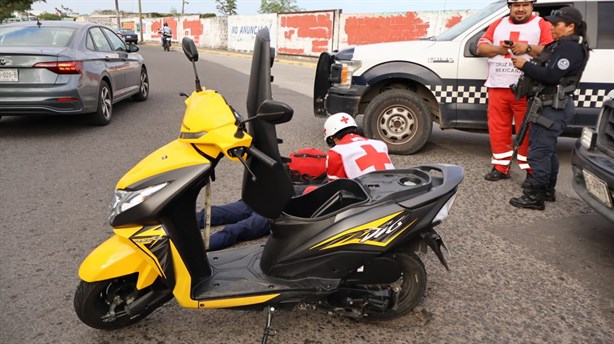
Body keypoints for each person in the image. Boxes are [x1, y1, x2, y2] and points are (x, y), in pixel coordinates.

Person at [197, 112, 394, 251]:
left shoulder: (337, 152)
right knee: (288, 196)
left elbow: (335, 192)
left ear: (332, 137)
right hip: (376, 198)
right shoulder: (379, 144)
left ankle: (201, 229)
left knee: (275, 203)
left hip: (357, 204)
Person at [509, 6, 590, 210]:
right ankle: (546, 190)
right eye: (551, 24)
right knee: (547, 151)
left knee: (539, 152)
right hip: (549, 105)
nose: (552, 28)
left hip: (553, 107)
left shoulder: (570, 48)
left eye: (557, 25)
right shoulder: (561, 45)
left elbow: (551, 76)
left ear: (571, 26)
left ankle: (535, 196)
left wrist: (524, 65)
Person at [476, 0, 553, 183]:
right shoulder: (498, 23)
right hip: (498, 86)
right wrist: (498, 49)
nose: (520, 9)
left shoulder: (541, 24)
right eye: (516, 5)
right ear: (509, 6)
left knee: (527, 131)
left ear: (532, 6)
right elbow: (481, 48)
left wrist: (527, 48)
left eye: (525, 5)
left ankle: (530, 170)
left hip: (527, 88)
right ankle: (501, 167)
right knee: (498, 129)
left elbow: (550, 51)